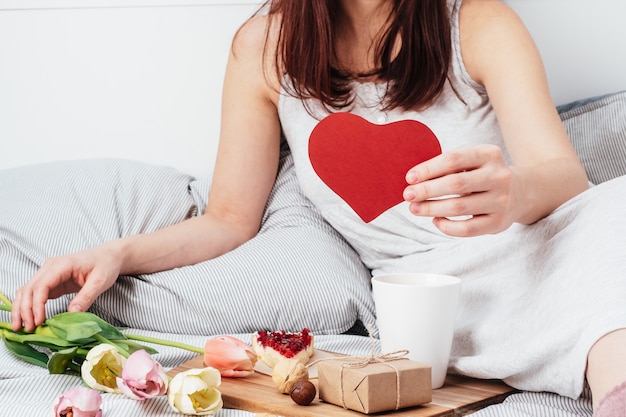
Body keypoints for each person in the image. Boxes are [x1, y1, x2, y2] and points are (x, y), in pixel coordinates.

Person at [10, 0, 626, 414]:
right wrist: (118, 252)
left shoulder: (481, 22)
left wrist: (514, 192)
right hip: (435, 294)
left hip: (544, 246)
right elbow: (229, 218)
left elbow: (567, 180)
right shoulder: (264, 46)